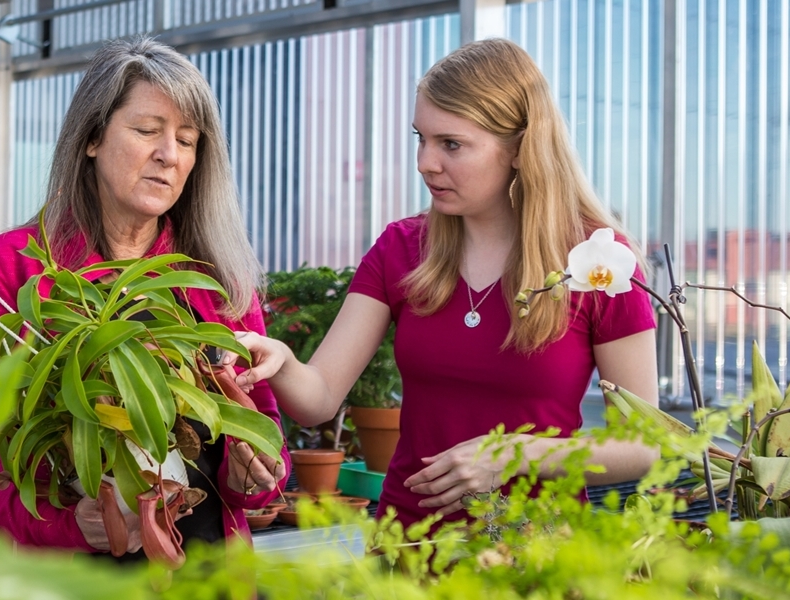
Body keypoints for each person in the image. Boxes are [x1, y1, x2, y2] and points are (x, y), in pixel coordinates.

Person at [229, 39, 659, 529]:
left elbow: (644, 445)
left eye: (451, 144)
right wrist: (282, 361)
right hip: (408, 547)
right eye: (421, 138)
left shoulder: (598, 262)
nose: (425, 163)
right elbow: (320, 397)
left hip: (536, 557)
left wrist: (518, 454)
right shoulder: (402, 249)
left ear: (519, 148)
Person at [0, 37, 289, 557]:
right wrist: (61, 525)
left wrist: (253, 473)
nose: (168, 155)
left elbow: (259, 425)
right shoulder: (12, 268)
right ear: (92, 138)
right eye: (146, 130)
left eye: (187, 139)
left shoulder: (213, 278)